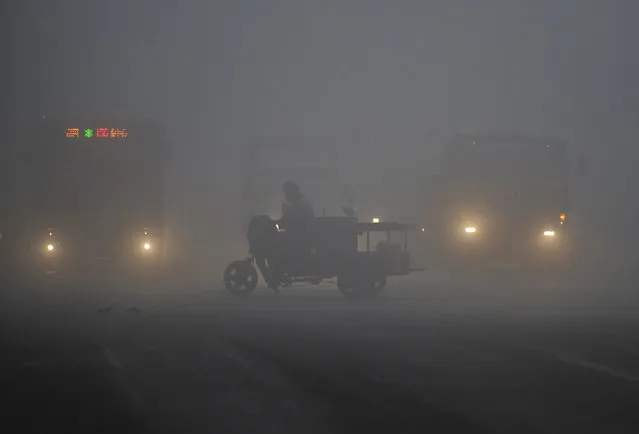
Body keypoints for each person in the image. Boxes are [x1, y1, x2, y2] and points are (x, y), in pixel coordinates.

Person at [267, 181, 315, 292]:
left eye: (287, 192)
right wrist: (276, 225)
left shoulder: (299, 204)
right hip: (301, 235)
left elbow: (290, 222)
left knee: (273, 246)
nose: (285, 195)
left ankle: (277, 275)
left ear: (293, 192)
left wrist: (276, 226)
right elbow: (286, 222)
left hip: (301, 237)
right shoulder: (299, 203)